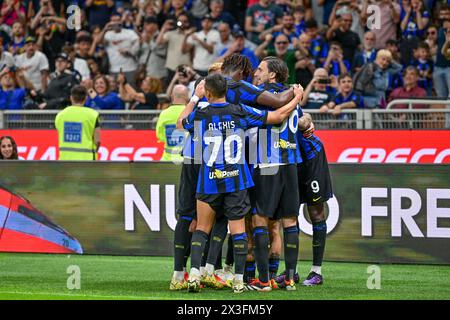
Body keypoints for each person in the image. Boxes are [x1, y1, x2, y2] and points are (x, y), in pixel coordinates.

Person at [177, 74, 303, 293]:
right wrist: (297, 99)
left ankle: (195, 274)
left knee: (202, 229)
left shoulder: (201, 114)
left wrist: (195, 99)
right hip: (236, 180)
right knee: (238, 231)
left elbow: (181, 122)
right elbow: (276, 116)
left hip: (210, 181)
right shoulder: (240, 111)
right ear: (227, 90)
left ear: (207, 92)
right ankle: (237, 279)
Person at [55, 85, 100, 161]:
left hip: (65, 159)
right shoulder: (93, 114)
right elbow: (97, 141)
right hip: (87, 160)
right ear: (86, 98)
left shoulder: (60, 115)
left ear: (71, 98)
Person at [156, 84, 189, 162]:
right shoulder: (191, 113)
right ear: (186, 97)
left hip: (167, 159)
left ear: (172, 96)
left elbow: (159, 135)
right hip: (186, 161)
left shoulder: (164, 113)